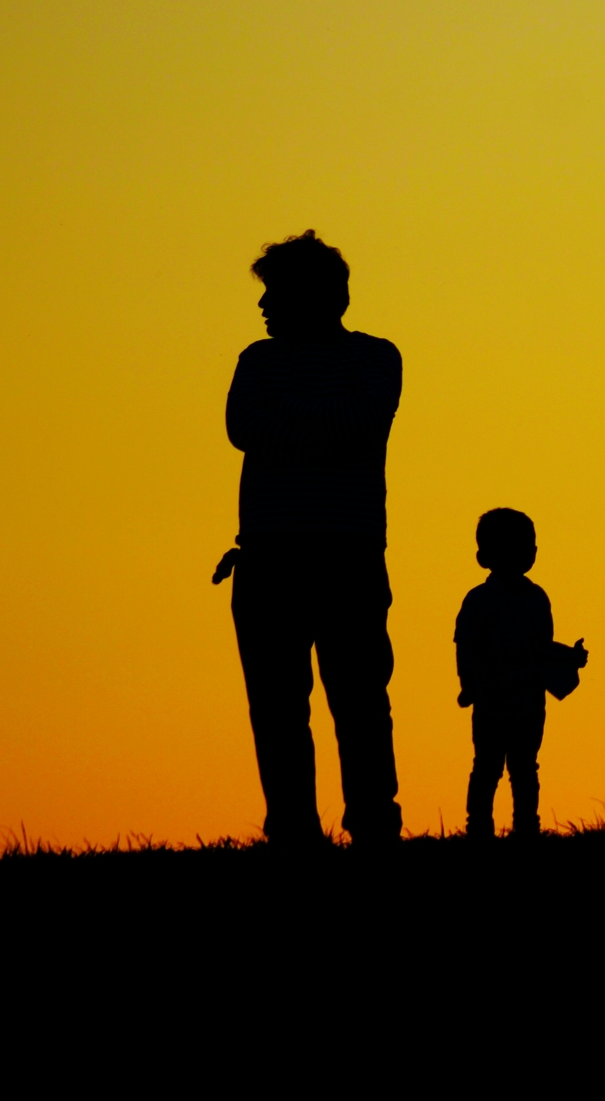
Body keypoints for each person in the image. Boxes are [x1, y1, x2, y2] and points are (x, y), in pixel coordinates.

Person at [216, 230, 404, 850]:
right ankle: (293, 829)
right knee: (276, 707)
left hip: (347, 553)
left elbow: (364, 420)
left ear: (315, 296)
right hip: (269, 556)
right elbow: (245, 429)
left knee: (359, 702)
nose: (263, 307)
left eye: (274, 293)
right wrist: (324, 422)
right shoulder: (256, 360)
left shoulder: (377, 356)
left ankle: (374, 825)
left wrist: (287, 417)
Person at [455, 507, 588, 840]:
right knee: (487, 768)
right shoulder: (479, 600)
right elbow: (466, 645)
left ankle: (527, 826)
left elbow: (540, 650)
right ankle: (479, 828)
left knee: (524, 769)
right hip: (490, 702)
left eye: (528, 545)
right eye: (513, 546)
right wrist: (469, 682)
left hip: (529, 704)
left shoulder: (537, 598)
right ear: (484, 556)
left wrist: (568, 658)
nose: (525, 553)